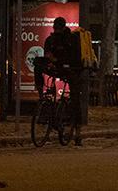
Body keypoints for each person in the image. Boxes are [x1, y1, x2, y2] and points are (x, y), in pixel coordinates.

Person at [43, 17, 84, 145]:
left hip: (71, 69)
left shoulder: (71, 39)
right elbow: (47, 54)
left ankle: (77, 132)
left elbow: (76, 57)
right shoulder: (52, 39)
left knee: (75, 98)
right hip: (61, 69)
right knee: (74, 97)